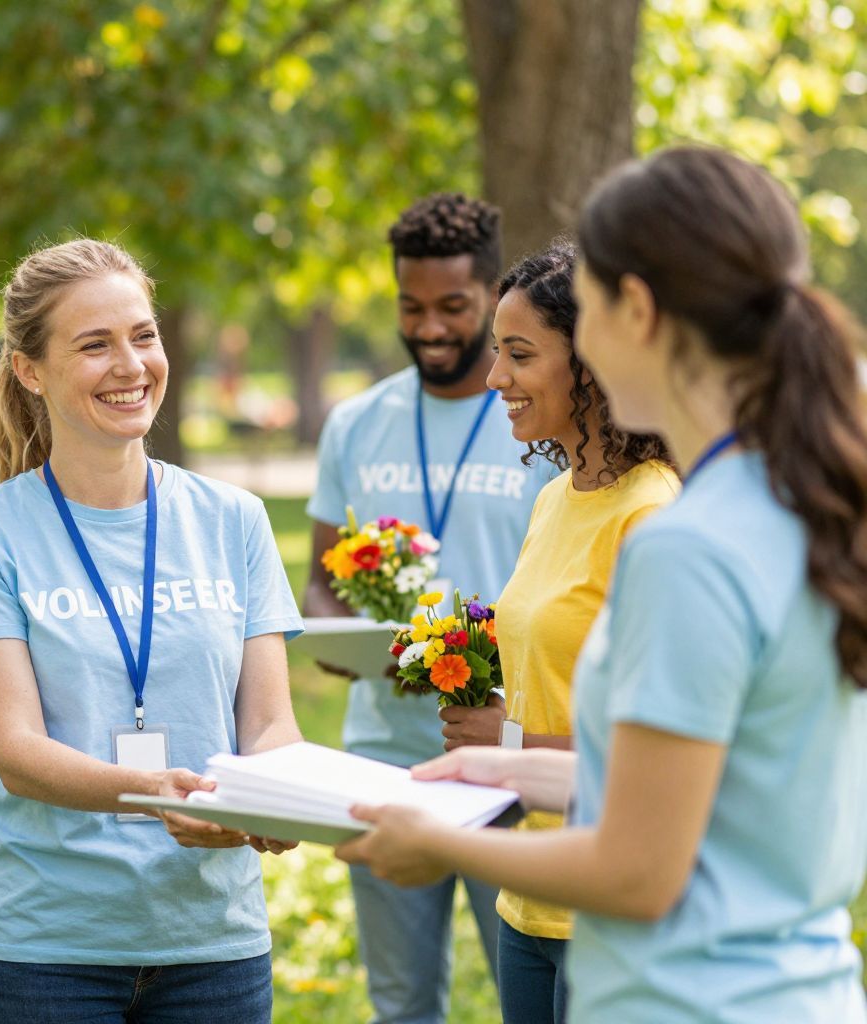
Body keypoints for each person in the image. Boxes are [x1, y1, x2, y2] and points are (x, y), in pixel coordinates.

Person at [338, 147, 867, 1023]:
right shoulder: (797, 502)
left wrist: (442, 845)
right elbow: (707, 789)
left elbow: (638, 870)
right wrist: (500, 767)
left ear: (637, 312)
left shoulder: (685, 544)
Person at [0, 238, 305, 1023]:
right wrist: (153, 789)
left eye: (143, 336)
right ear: (30, 370)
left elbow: (271, 723)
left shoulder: (235, 519)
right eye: (94, 345)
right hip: (44, 955)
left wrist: (270, 800)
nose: (131, 365)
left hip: (215, 946)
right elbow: (18, 752)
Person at [303, 193, 556, 1022]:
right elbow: (321, 582)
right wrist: (349, 639)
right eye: (411, 307)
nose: (431, 327)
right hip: (386, 755)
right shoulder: (356, 424)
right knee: (402, 1000)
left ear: (490, 292)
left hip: (510, 749)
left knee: (531, 983)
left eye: (453, 306)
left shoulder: (537, 419)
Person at [439, 241, 677, 1023]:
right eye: (496, 352)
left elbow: (656, 753)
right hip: (528, 900)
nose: (494, 378)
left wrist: (502, 747)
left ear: (592, 362)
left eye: (519, 354)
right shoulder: (553, 499)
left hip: (607, 910)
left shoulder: (652, 514)